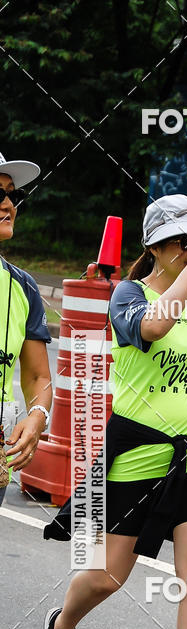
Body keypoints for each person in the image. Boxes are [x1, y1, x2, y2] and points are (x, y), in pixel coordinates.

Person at [35, 194, 187, 629]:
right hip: (138, 457)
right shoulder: (128, 294)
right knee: (107, 576)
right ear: (157, 247)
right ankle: (62, 623)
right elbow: (152, 329)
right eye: (185, 241)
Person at [0, 150, 52, 503]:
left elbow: (37, 377)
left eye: (12, 194)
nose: (8, 204)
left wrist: (37, 416)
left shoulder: (24, 287)